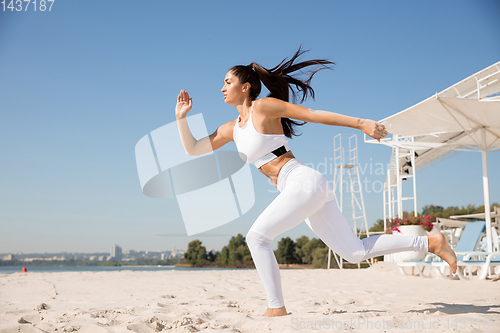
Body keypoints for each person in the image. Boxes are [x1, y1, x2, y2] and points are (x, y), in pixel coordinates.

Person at [175, 48, 457, 317]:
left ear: (246, 86)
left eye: (227, 81)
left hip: (302, 181)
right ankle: (430, 241)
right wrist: (181, 119)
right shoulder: (231, 128)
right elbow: (194, 149)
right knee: (354, 252)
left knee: (256, 238)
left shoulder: (263, 108)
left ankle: (277, 307)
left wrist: (361, 123)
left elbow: (312, 115)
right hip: (302, 189)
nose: (222, 87)